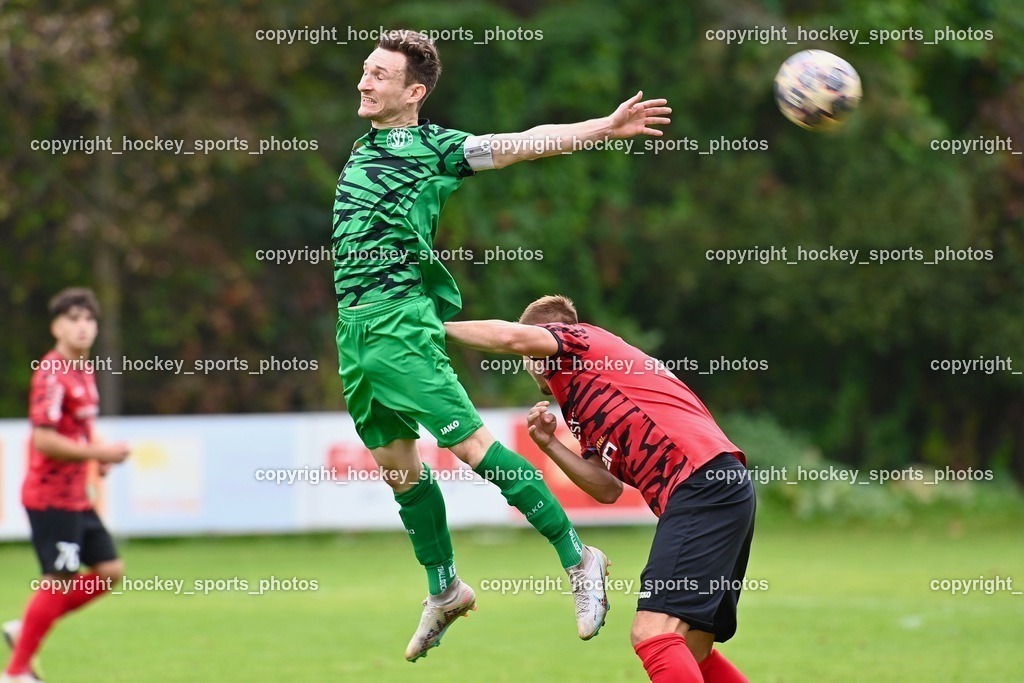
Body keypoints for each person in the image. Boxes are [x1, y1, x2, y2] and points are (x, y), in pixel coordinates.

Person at [333, 30, 671, 661]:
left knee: (470, 446)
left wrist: (602, 126)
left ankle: (578, 556)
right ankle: (446, 589)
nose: (364, 81)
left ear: (414, 92)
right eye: (364, 70)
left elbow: (518, 145)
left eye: (379, 74)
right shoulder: (364, 147)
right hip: (353, 333)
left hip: (397, 324)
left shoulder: (433, 147)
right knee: (400, 472)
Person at [444, 294, 755, 683]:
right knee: (693, 651)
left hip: (702, 485)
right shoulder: (581, 397)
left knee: (652, 634)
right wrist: (551, 445)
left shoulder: (579, 342)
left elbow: (510, 339)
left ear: (539, 344)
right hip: (718, 488)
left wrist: (434, 329)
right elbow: (607, 489)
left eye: (527, 354)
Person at [3, 288, 131, 683]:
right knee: (58, 580)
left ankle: (27, 629)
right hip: (50, 496)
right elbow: (43, 438)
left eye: (89, 319)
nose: (82, 326)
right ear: (56, 326)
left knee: (109, 571)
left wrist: (98, 456)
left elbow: (80, 430)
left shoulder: (83, 369)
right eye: (73, 319)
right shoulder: (52, 373)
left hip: (77, 497)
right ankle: (15, 672)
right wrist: (97, 452)